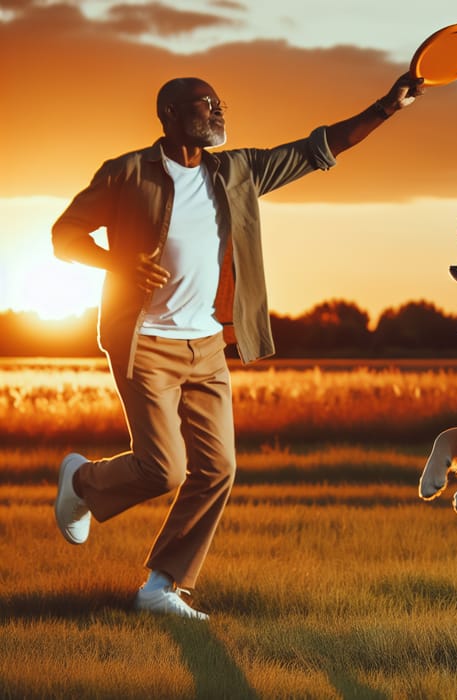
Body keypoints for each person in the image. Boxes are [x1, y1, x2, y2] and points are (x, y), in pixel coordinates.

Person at [52, 73, 424, 620]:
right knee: (164, 470)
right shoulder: (126, 173)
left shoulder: (239, 170)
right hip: (145, 343)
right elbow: (65, 234)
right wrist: (117, 262)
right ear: (172, 114)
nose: (218, 112)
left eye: (220, 104)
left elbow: (318, 147)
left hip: (207, 344)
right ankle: (82, 480)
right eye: (207, 106)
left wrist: (387, 107)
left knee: (219, 468)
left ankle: (161, 586)